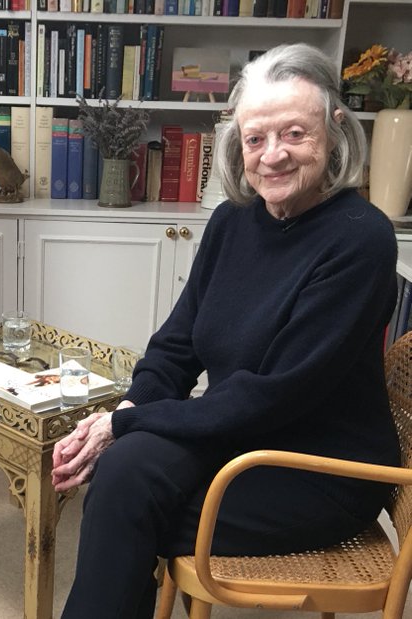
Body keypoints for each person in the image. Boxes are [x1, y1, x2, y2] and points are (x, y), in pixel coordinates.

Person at [52, 43, 401, 618]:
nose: (272, 156)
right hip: (235, 435)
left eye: (294, 134)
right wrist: (136, 401)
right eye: (255, 139)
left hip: (317, 468)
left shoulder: (361, 239)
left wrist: (123, 421)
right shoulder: (232, 219)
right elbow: (178, 342)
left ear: (336, 130)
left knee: (126, 510)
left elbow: (275, 395)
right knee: (124, 476)